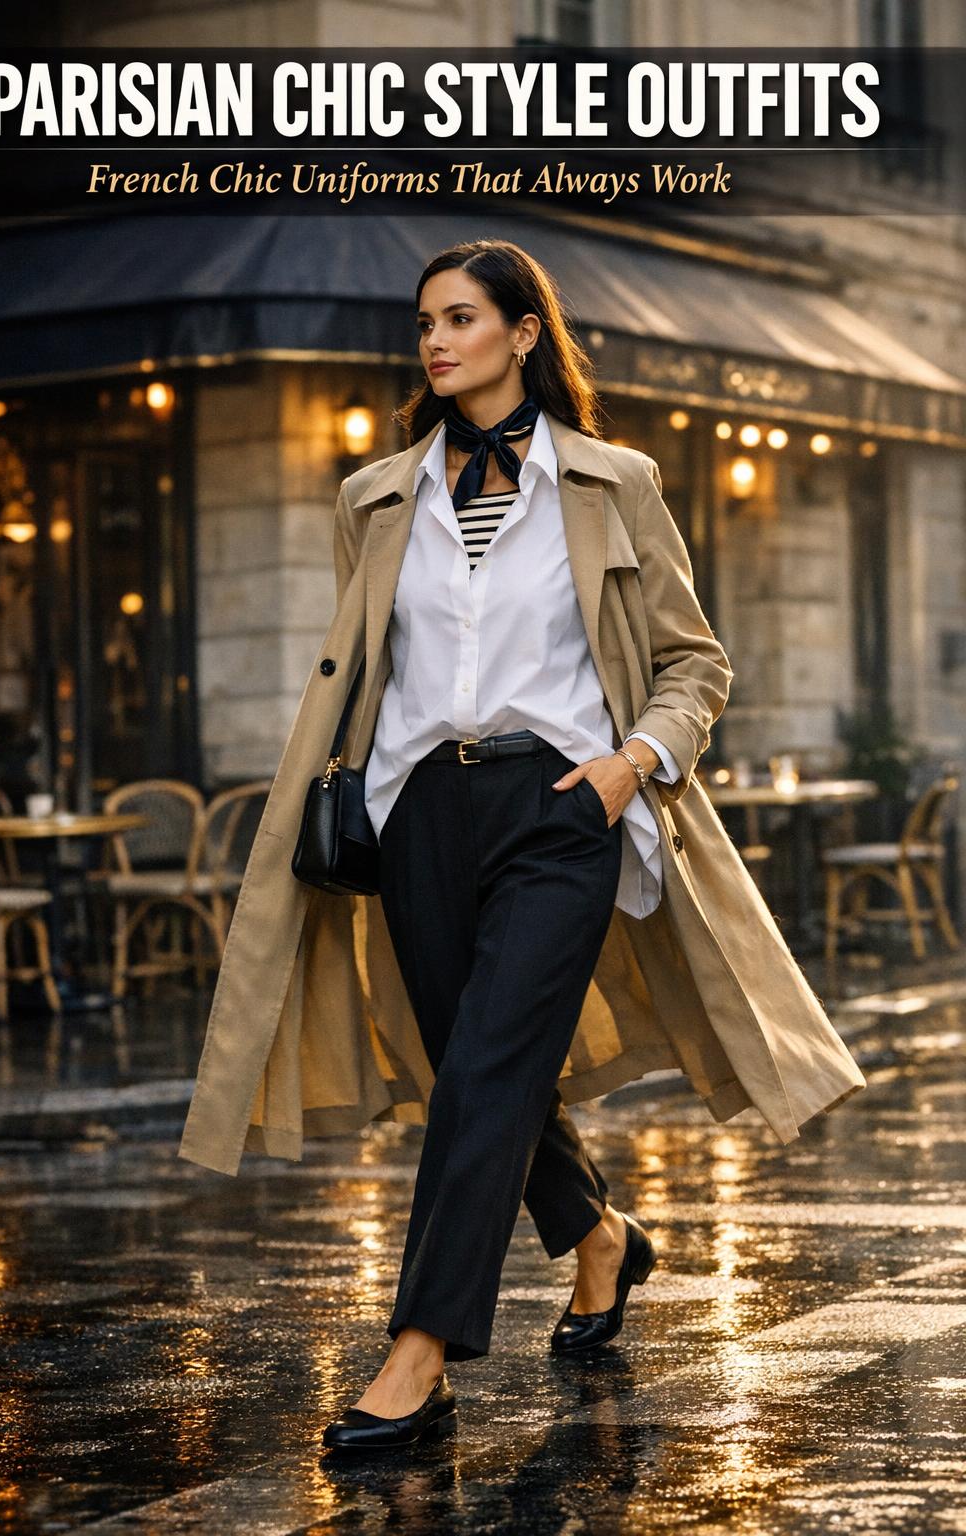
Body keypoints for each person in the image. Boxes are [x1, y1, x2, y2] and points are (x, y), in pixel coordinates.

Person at [320, 239, 705, 1451]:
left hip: (562, 808)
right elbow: (370, 672)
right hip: (423, 809)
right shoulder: (376, 496)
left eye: (461, 318)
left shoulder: (611, 482)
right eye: (424, 322)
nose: (435, 341)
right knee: (475, 1068)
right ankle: (597, 1235)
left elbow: (696, 661)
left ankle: (420, 1355)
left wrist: (625, 767)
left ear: (523, 333)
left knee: (486, 1067)